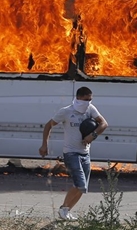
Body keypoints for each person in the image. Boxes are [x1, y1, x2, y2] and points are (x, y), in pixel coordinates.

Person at [39, 86, 108, 221]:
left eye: (90, 99)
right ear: (78, 98)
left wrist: (92, 136)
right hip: (71, 153)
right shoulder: (65, 112)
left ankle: (67, 210)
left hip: (85, 153)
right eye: (86, 99)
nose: (88, 102)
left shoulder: (90, 109)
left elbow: (104, 124)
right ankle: (63, 209)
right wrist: (44, 144)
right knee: (80, 184)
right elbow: (48, 125)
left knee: (83, 188)